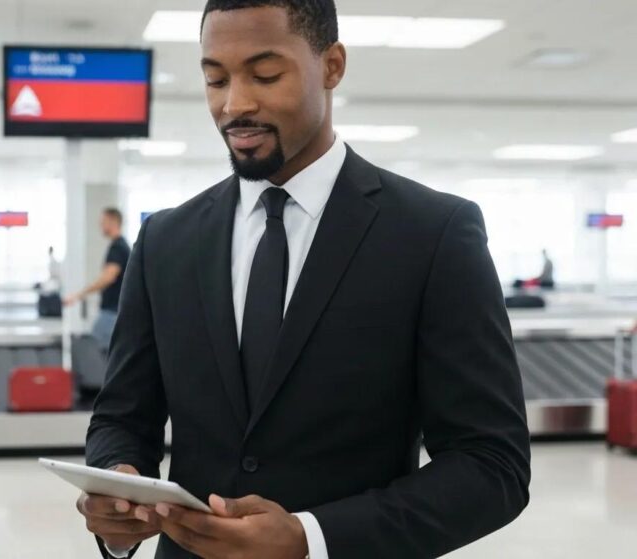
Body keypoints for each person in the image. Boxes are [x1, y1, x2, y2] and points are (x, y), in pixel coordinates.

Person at [76, 2, 531, 559]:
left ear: (332, 65)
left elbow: (492, 465)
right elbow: (123, 416)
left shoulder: (433, 234)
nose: (234, 104)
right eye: (215, 79)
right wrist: (115, 488)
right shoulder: (167, 240)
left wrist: (310, 537)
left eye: (266, 75)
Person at [63, 208, 131, 351]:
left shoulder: (118, 248)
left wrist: (79, 294)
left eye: (103, 222)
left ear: (113, 222)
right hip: (115, 311)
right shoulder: (121, 246)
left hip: (111, 313)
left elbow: (108, 277)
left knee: (93, 352)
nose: (100, 225)